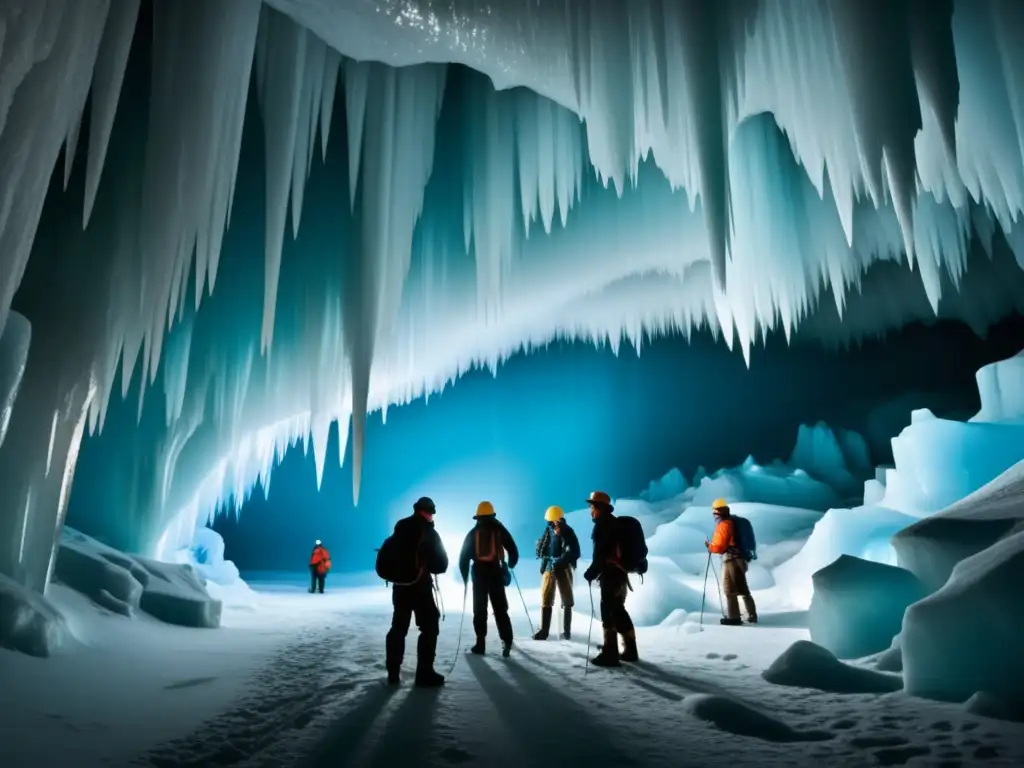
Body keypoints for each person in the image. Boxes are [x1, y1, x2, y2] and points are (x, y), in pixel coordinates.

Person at [384, 496, 449, 687]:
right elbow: (441, 565)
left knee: (398, 628)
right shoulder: (428, 532)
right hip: (420, 588)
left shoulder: (400, 528)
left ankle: (393, 672)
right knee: (429, 626)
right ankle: (424, 673)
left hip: (400, 588)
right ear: (428, 512)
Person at [582, 491, 638, 666]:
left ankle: (610, 653)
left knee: (608, 612)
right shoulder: (616, 524)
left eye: (592, 507)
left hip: (610, 576)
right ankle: (630, 649)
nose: (591, 511)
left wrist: (590, 573)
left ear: (599, 507)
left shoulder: (602, 526)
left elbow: (599, 557)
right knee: (619, 611)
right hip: (621, 575)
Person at [459, 501, 519, 657]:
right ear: (492, 515)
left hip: (479, 575)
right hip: (496, 574)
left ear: (477, 516)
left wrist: (465, 576)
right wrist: (511, 563)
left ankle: (480, 643)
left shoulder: (473, 533)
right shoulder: (499, 529)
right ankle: (507, 641)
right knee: (500, 610)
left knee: (479, 610)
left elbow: (463, 557)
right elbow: (513, 549)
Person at [705, 498, 758, 626]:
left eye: (714, 512)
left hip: (731, 560)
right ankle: (751, 614)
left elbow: (719, 546)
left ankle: (734, 617)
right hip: (741, 559)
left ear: (718, 512)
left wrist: (709, 546)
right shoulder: (735, 521)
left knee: (730, 589)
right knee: (742, 588)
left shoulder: (725, 524)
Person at [532, 505, 579, 640]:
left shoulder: (568, 532)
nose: (552, 524)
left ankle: (566, 632)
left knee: (567, 599)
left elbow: (574, 551)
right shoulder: (549, 530)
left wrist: (562, 561)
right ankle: (544, 631)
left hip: (563, 567)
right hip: (550, 566)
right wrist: (544, 564)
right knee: (546, 598)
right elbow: (546, 548)